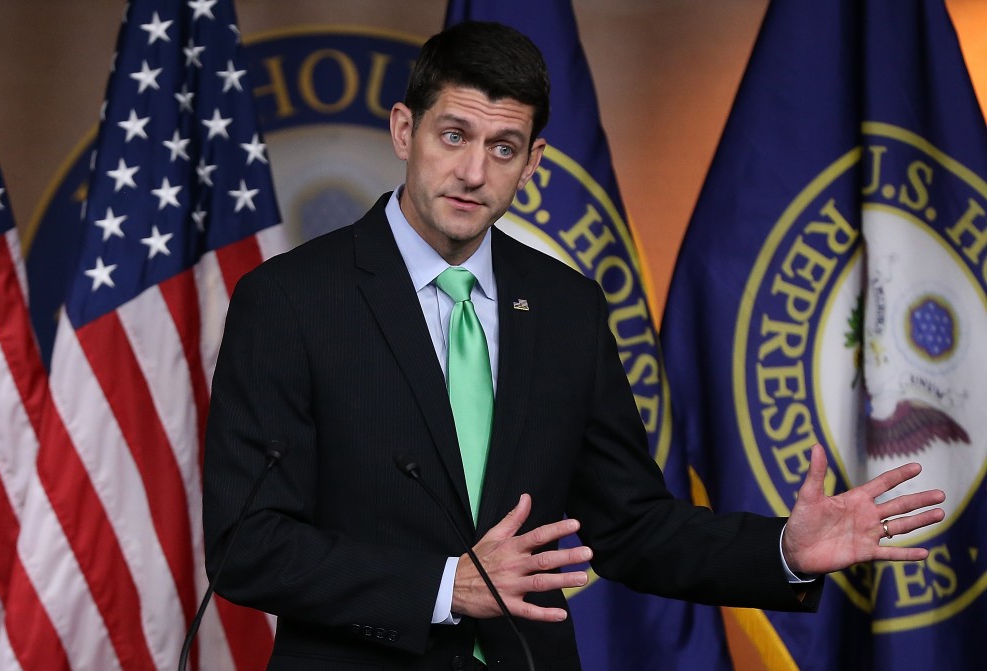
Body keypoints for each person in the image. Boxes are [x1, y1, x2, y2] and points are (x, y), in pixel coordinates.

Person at [203, 20, 945, 670]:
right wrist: (442, 584)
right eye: (453, 135)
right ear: (405, 130)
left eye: (504, 148)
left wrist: (783, 549)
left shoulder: (567, 307)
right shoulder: (290, 299)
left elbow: (630, 524)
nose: (472, 172)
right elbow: (249, 543)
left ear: (533, 164)